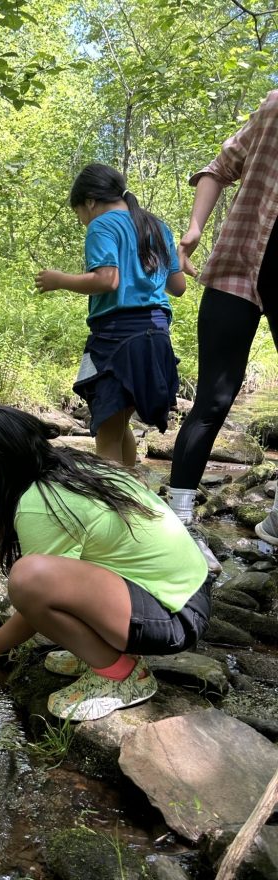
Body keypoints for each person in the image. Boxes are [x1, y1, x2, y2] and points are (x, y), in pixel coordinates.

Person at [0, 406, 211, 723]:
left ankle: (122, 675)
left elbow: (35, 600)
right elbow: (0, 528)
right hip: (185, 590)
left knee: (27, 578)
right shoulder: (64, 464)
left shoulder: (40, 503)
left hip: (175, 615)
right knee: (40, 576)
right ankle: (98, 651)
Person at [167, 91, 278, 546]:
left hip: (245, 269)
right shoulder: (275, 106)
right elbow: (218, 168)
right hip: (236, 269)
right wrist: (193, 229)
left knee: (211, 402)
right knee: (212, 399)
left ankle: (274, 526)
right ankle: (178, 520)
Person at [35, 163, 186, 467]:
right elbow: (178, 286)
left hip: (118, 337)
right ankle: (133, 498)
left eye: (79, 213)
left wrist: (59, 280)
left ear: (90, 201)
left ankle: (114, 507)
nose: (82, 221)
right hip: (156, 335)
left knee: (106, 433)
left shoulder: (102, 225)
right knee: (117, 424)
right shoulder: (157, 226)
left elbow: (107, 280)